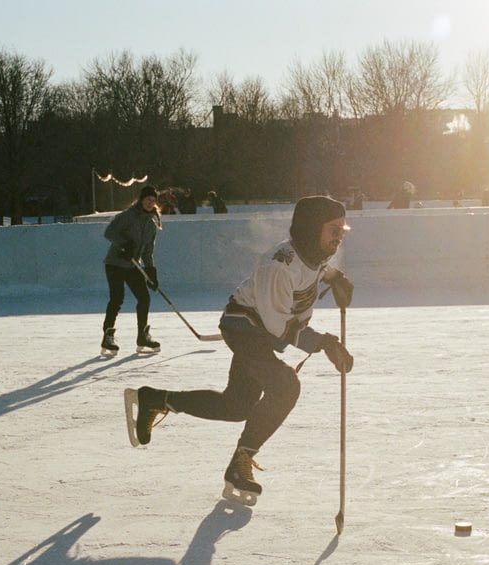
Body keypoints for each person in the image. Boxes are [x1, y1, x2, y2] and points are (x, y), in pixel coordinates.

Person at [124, 195, 355, 505]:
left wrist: (335, 277)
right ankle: (240, 463)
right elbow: (278, 330)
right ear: (313, 228)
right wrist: (324, 343)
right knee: (286, 386)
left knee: (236, 407)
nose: (339, 237)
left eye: (342, 231)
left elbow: (312, 272)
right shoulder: (278, 266)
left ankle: (155, 399)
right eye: (333, 230)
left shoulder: (313, 254)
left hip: (260, 331)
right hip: (245, 329)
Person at [101, 184, 162, 355]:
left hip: (132, 265)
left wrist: (151, 272)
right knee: (117, 299)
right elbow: (109, 232)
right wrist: (124, 244)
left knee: (144, 298)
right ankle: (107, 337)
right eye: (147, 199)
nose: (150, 203)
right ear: (141, 200)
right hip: (115, 263)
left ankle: (142, 336)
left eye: (153, 200)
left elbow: (148, 251)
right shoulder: (128, 216)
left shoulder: (151, 224)